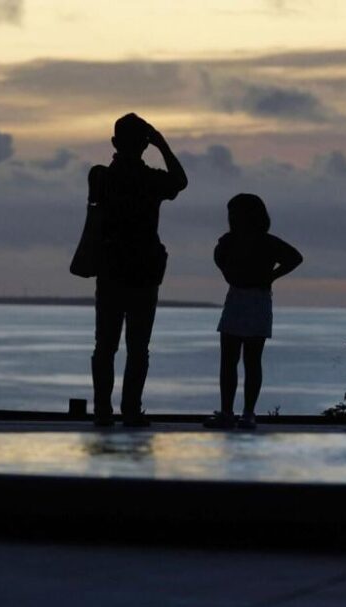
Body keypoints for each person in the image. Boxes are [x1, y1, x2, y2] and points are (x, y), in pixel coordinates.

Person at [90, 113, 187, 427]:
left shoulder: (102, 177)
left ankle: (103, 409)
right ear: (144, 145)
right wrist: (161, 144)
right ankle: (130, 409)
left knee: (106, 345)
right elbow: (180, 181)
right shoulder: (150, 180)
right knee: (137, 347)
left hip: (112, 269)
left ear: (115, 143)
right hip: (143, 270)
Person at [204, 193, 303, 430]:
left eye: (235, 213)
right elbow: (223, 264)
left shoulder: (261, 241)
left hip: (253, 298)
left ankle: (244, 413)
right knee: (235, 359)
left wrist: (271, 275)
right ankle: (233, 412)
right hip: (242, 297)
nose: (232, 217)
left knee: (246, 359)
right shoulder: (235, 241)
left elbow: (295, 258)